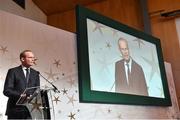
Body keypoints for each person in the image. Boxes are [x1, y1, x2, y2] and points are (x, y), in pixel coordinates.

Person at [3, 50, 40, 119]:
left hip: (30, 111)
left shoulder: (35, 73)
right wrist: (21, 95)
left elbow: (37, 90)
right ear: (22, 59)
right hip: (15, 110)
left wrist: (33, 96)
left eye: (33, 57)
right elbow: (7, 90)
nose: (33, 59)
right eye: (30, 57)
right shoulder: (13, 71)